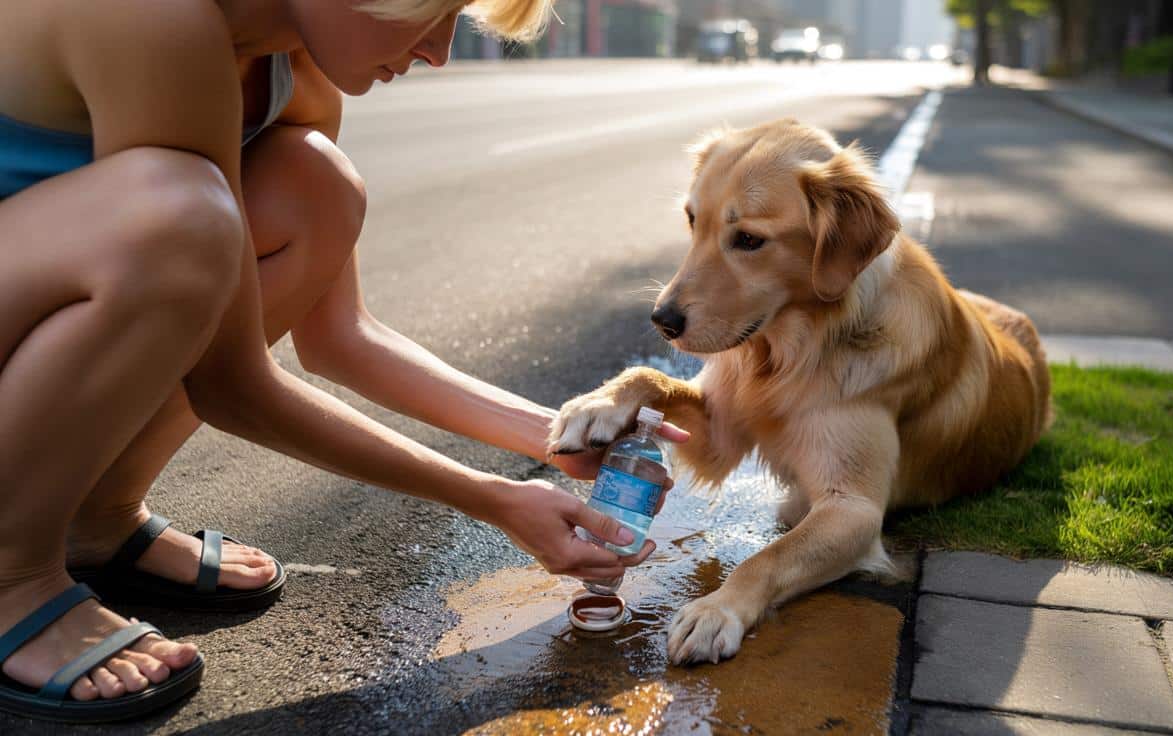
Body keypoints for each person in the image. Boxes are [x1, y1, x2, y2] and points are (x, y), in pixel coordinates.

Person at [0, 0, 687, 722]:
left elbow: (343, 339)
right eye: (432, 9)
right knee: (181, 219)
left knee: (312, 185)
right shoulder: (156, 19)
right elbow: (230, 385)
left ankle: (98, 517)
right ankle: (12, 574)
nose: (439, 52)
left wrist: (560, 433)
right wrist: (495, 499)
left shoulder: (293, 68)